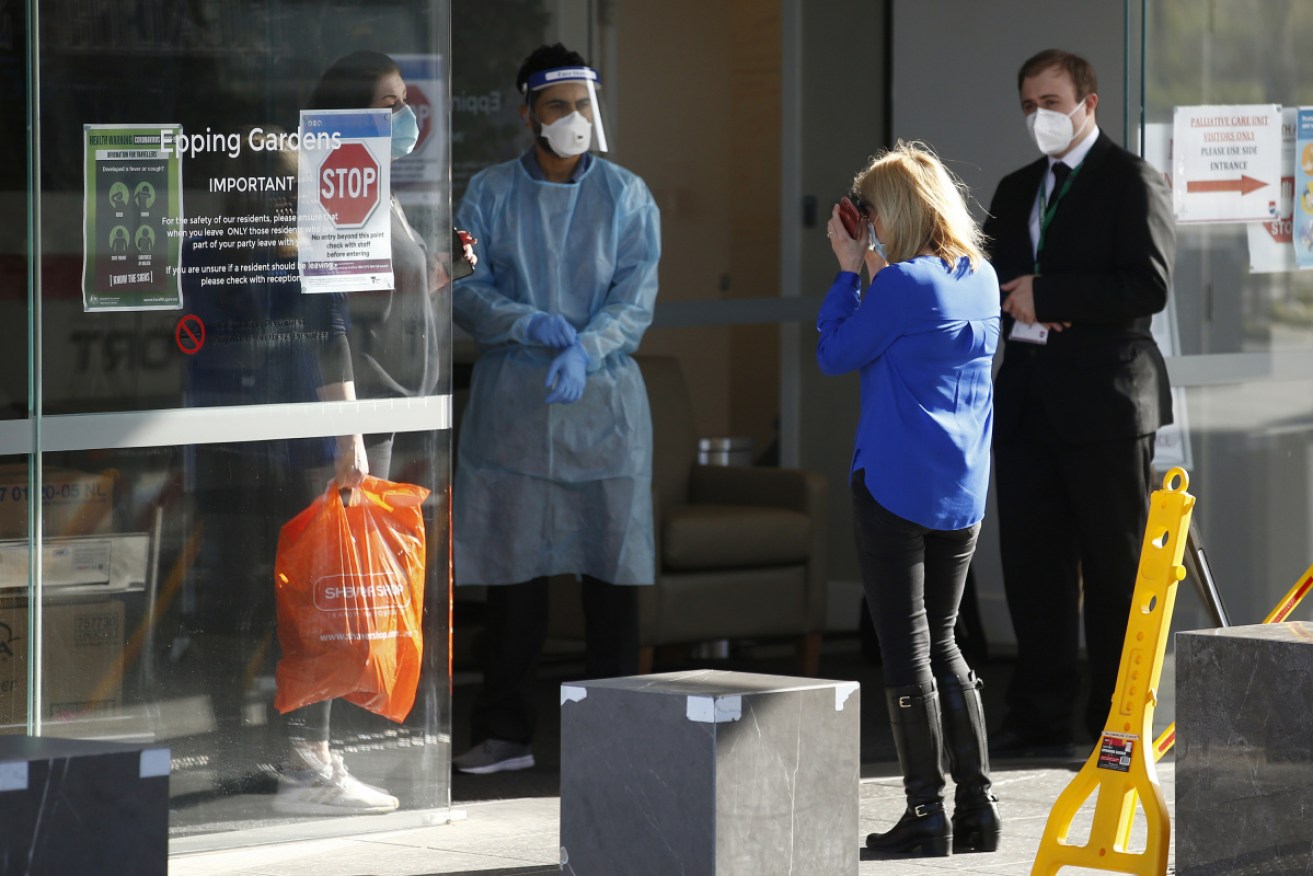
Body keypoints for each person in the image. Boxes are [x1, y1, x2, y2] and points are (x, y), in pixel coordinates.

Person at [451, 43, 660, 775]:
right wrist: (526, 323)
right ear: (527, 114)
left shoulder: (628, 196)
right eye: (556, 106)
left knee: (610, 582)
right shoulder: (487, 194)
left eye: (582, 105)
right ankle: (504, 732)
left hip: (600, 409)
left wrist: (588, 346)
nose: (572, 119)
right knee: (514, 579)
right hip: (515, 410)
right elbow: (464, 289)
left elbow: (633, 299)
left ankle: (616, 738)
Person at [266, 50, 452, 816]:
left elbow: (376, 296)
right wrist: (346, 438)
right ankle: (305, 766)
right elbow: (326, 321)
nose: (401, 116)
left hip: (377, 412)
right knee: (330, 597)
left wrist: (435, 272)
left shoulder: (372, 184)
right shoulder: (329, 176)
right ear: (346, 108)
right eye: (384, 102)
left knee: (340, 594)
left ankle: (307, 758)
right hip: (345, 422)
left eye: (404, 100)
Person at [982, 49, 1176, 758]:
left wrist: (1052, 296)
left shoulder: (1129, 181)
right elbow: (998, 278)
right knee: (1032, 565)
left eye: (1054, 100)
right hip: (1029, 400)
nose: (1041, 115)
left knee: (1113, 567)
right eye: (1030, 103)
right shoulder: (1014, 188)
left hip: (1105, 403)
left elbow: (1146, 286)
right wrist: (1021, 297)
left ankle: (1115, 720)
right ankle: (1037, 715)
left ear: (1088, 103)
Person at [817, 141, 1001, 857]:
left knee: (906, 651)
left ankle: (926, 813)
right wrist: (873, 265)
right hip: (960, 488)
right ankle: (976, 808)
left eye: (865, 210)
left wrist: (846, 271)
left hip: (894, 483)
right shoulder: (979, 277)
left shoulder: (898, 287)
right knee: (946, 638)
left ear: (886, 213)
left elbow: (833, 353)